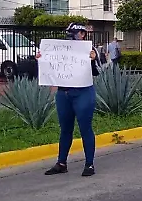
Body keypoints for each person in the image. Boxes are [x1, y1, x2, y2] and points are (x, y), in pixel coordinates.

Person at [43, 23, 101, 177]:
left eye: (74, 33)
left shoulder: (90, 49)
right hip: (63, 93)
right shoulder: (61, 49)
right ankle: (61, 163)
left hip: (83, 92)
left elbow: (98, 71)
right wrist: (41, 59)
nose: (70, 36)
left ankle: (89, 164)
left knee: (85, 128)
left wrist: (93, 60)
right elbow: (50, 66)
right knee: (65, 129)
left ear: (82, 34)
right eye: (69, 33)